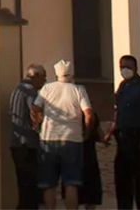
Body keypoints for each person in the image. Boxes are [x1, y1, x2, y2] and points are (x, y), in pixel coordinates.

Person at [32, 60, 94, 209]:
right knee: (71, 183)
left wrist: (38, 125)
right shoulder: (79, 89)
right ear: (72, 73)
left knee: (49, 184)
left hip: (48, 139)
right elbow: (89, 114)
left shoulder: (47, 88)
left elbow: (35, 108)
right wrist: (86, 132)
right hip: (72, 139)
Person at [112, 54, 140, 209]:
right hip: (123, 137)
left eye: (128, 67)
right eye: (122, 66)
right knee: (122, 177)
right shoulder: (123, 86)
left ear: (135, 68)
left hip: (138, 136)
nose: (125, 70)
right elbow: (119, 110)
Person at [9, 64, 47, 209]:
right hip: (28, 145)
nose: (44, 82)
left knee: (23, 185)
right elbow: (35, 114)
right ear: (36, 76)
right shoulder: (31, 92)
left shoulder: (17, 89)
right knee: (30, 188)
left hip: (16, 143)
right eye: (43, 78)